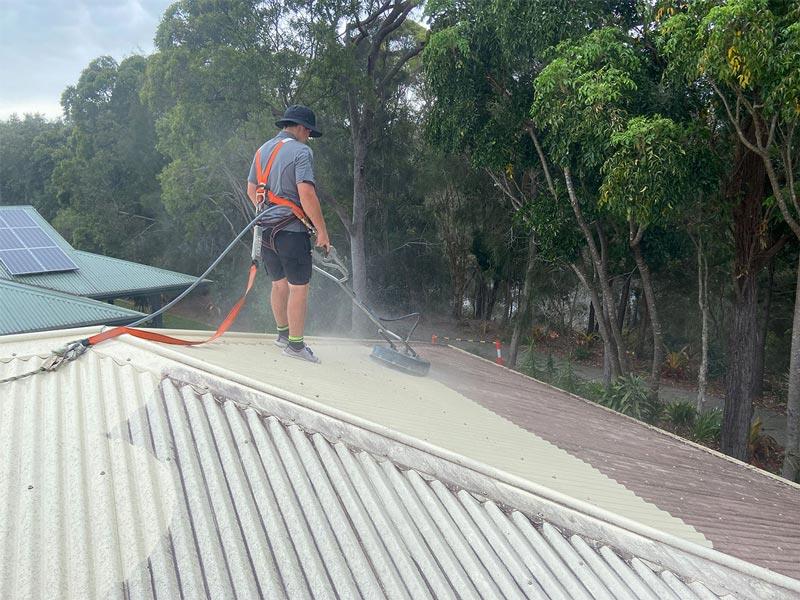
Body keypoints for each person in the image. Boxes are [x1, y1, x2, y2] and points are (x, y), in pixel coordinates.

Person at [247, 105, 330, 363]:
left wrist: (269, 212)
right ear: (302, 128)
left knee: (278, 283)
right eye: (309, 132)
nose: (308, 137)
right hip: (291, 232)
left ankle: (283, 335)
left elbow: (252, 190)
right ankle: (295, 346)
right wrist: (322, 231)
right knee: (298, 288)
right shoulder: (302, 152)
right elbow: (306, 192)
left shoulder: (262, 150)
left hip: (266, 230)